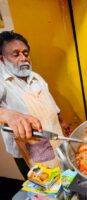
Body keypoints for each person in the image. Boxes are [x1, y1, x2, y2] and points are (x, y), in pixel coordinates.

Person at [0, 31, 64, 178]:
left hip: (55, 140)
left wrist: (62, 122)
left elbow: (52, 107)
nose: (24, 58)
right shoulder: (2, 82)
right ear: (2, 59)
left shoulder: (36, 77)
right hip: (30, 151)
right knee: (45, 190)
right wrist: (8, 114)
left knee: (64, 180)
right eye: (16, 55)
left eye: (26, 53)